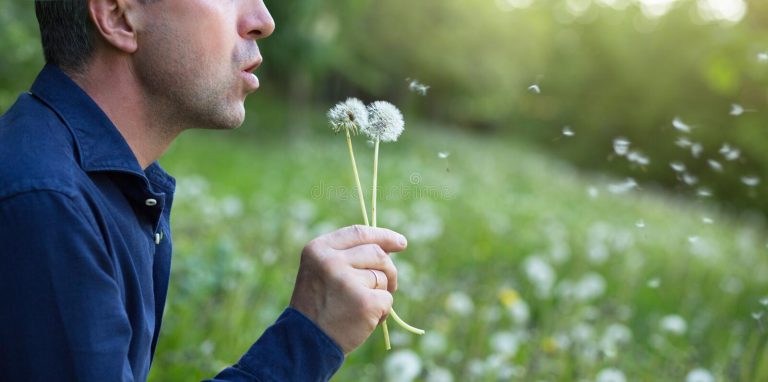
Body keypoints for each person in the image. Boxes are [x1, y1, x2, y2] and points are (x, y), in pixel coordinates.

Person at [0, 1, 407, 381]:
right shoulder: (47, 204)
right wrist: (310, 336)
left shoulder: (98, 185)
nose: (263, 21)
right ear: (118, 16)